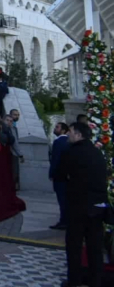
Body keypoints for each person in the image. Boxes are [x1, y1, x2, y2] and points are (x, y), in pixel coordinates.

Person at [55, 121, 108, 287]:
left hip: (78, 205)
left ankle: (74, 280)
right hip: (97, 207)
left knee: (74, 246)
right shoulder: (97, 153)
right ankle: (95, 281)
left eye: (70, 132)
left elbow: (60, 175)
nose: (68, 135)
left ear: (78, 134)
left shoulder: (71, 152)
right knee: (95, 247)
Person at [49, 121, 69, 230]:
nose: (55, 128)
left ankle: (64, 221)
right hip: (67, 175)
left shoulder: (58, 142)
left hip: (59, 175)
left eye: (57, 127)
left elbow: (55, 159)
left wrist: (51, 173)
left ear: (63, 130)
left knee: (62, 199)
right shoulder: (68, 141)